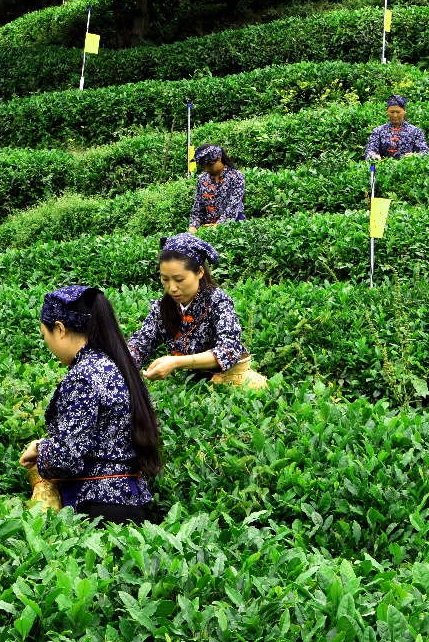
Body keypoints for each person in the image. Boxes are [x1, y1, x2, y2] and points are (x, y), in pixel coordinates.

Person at [19, 284, 163, 524]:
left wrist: (39, 448)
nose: (48, 345)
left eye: (46, 336)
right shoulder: (117, 364)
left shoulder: (83, 376)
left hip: (97, 509)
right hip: (133, 501)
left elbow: (66, 457)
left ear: (60, 329)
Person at [127, 234, 260, 385]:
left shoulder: (218, 302)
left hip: (227, 381)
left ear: (200, 272)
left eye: (179, 280)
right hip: (192, 383)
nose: (172, 288)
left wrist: (176, 362)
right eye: (165, 279)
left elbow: (230, 349)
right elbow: (140, 344)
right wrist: (122, 364)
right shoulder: (162, 308)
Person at [189, 144, 244, 232]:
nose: (206, 169)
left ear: (219, 158)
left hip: (233, 227)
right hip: (208, 228)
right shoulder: (202, 179)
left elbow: (232, 208)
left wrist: (217, 227)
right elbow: (198, 209)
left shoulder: (236, 177)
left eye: (209, 165)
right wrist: (193, 228)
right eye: (203, 166)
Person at [364, 94, 429, 160]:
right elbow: (369, 150)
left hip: (407, 168)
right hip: (383, 168)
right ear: (387, 111)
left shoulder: (415, 131)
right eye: (391, 112)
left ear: (404, 111)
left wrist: (415, 155)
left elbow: (425, 152)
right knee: (372, 168)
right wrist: (373, 156)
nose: (395, 115)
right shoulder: (378, 131)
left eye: (398, 112)